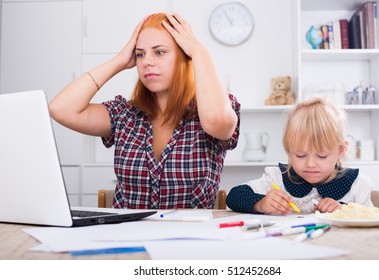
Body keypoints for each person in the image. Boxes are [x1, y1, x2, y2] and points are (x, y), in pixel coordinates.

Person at [49, 13, 240, 209]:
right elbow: (61, 109)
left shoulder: (216, 107)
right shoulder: (124, 114)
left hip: (190, 238)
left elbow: (217, 120)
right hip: (125, 237)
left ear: (185, 55)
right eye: (140, 54)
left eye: (159, 52)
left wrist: (200, 52)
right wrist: (119, 61)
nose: (146, 61)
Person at [226, 97, 373, 215]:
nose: (310, 164)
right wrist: (261, 203)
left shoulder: (357, 186)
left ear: (340, 151)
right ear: (289, 151)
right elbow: (234, 196)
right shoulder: (277, 178)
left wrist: (345, 212)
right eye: (300, 155)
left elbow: (371, 218)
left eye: (321, 156)